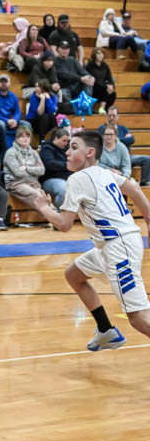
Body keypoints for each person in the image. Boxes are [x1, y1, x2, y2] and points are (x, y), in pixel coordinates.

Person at [33, 129, 150, 351]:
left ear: (90, 152)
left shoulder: (77, 179)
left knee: (138, 317)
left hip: (119, 248)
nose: (67, 152)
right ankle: (106, 331)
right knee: (74, 275)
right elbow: (134, 189)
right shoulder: (104, 172)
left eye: (74, 147)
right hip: (114, 245)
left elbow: (64, 224)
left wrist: (44, 208)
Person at [99, 105, 150, 186]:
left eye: (114, 115)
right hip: (109, 159)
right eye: (110, 115)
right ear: (107, 116)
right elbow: (105, 141)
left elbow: (131, 140)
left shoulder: (122, 128)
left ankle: (144, 182)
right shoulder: (102, 128)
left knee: (147, 159)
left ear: (118, 116)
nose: (111, 117)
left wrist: (117, 139)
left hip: (126, 156)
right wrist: (122, 139)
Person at [3, 124, 46, 211]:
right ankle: (52, 216)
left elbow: (42, 171)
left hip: (33, 183)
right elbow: (18, 173)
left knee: (44, 197)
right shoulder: (11, 153)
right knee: (37, 195)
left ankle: (54, 216)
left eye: (28, 136)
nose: (25, 138)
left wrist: (26, 168)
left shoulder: (34, 153)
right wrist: (34, 172)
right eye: (22, 136)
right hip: (15, 183)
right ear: (16, 138)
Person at [40, 126, 71, 209]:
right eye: (64, 140)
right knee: (64, 189)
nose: (66, 143)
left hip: (67, 177)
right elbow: (50, 164)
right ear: (56, 138)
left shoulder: (67, 149)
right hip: (50, 179)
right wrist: (66, 165)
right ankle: (58, 212)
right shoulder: (46, 149)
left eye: (67, 141)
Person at [86, 48, 116, 113]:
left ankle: (106, 110)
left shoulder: (105, 65)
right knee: (105, 89)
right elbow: (92, 79)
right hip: (93, 89)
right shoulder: (90, 65)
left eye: (102, 53)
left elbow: (110, 78)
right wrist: (106, 86)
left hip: (103, 89)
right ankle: (101, 108)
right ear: (94, 55)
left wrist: (111, 86)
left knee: (113, 94)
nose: (101, 55)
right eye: (98, 53)